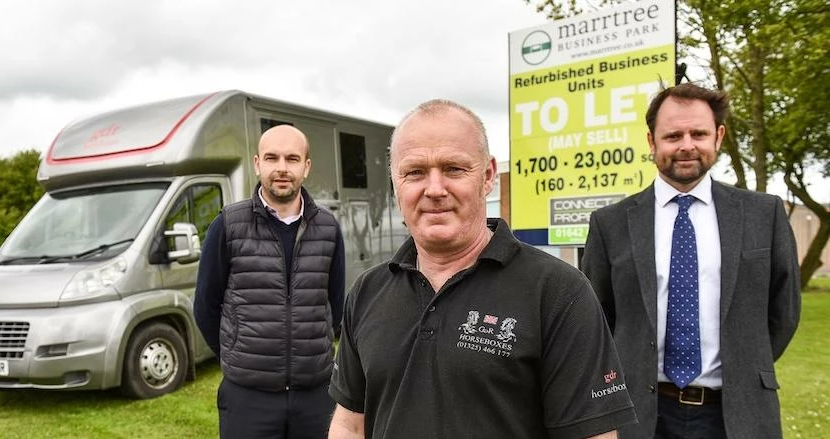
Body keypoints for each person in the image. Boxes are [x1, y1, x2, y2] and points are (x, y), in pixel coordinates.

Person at [328, 99, 637, 438]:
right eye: (415, 172)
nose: (434, 189)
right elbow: (350, 423)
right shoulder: (368, 292)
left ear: (488, 176)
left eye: (453, 169)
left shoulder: (559, 292)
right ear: (395, 181)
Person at [581, 83, 801, 438]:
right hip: (641, 415)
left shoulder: (764, 213)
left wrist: (745, 364)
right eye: (673, 135)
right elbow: (597, 319)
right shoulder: (610, 224)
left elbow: (784, 311)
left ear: (719, 136)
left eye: (698, 133)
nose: (686, 145)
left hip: (738, 414)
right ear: (652, 142)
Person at [194, 124, 345, 439]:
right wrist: (235, 354)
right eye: (272, 158)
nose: (281, 168)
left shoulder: (328, 228)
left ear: (306, 166)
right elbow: (206, 306)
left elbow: (334, 304)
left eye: (292, 159)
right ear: (257, 163)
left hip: (315, 395)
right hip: (248, 396)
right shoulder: (228, 225)